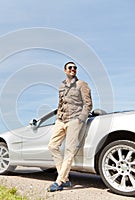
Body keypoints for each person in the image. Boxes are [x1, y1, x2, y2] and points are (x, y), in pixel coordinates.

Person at [47, 61, 93, 192]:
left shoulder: (81, 84)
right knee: (52, 146)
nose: (73, 69)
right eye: (70, 67)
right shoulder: (62, 86)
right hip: (61, 120)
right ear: (65, 70)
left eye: (75, 68)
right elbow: (60, 103)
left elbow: (88, 104)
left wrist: (81, 119)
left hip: (74, 119)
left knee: (69, 150)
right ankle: (65, 178)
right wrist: (58, 117)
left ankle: (59, 180)